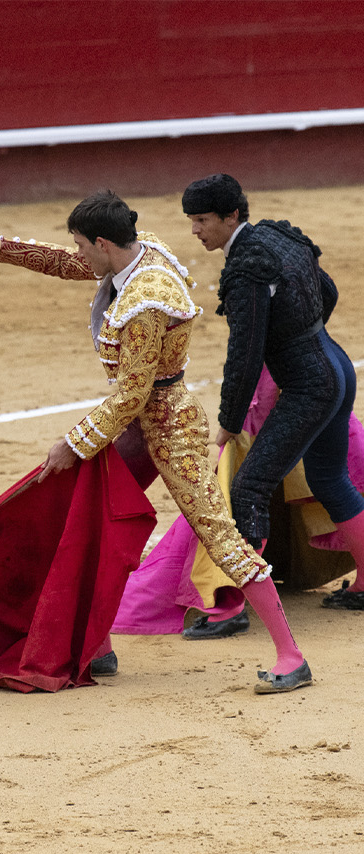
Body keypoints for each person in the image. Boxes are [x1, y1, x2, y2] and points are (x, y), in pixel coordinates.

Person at [0, 190, 312, 693]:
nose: (77, 253)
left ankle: (291, 656)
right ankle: (95, 647)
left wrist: (73, 442)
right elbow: (72, 265)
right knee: (87, 513)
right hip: (139, 423)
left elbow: (132, 394)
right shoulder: (136, 247)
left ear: (103, 242)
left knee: (217, 531)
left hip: (167, 426)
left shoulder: (146, 299)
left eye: (82, 244)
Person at [182, 173, 364, 614]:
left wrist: (229, 420)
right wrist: (303, 332)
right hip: (336, 365)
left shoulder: (246, 268)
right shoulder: (279, 236)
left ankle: (238, 607)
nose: (195, 230)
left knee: (248, 490)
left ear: (231, 216)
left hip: (309, 384)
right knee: (329, 478)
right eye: (191, 220)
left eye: (203, 220)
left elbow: (245, 355)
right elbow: (328, 291)